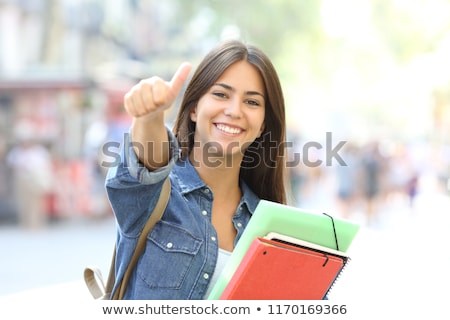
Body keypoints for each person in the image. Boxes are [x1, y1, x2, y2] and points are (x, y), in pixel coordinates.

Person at [105, 39, 287, 299]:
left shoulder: (271, 227)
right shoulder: (155, 196)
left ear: (262, 126)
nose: (234, 111)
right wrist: (150, 116)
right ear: (193, 108)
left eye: (252, 102)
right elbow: (148, 163)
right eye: (221, 94)